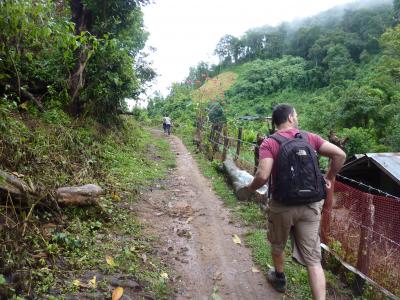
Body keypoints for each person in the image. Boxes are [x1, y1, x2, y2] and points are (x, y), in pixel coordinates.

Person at [247, 104, 346, 300]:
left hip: (282, 206)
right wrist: (329, 176)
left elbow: (263, 174)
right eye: (296, 115)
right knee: (313, 260)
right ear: (291, 118)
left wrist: (250, 188)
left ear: (275, 123)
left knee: (277, 245)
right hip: (310, 205)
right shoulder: (309, 137)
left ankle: (280, 278)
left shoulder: (269, 143)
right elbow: (340, 155)